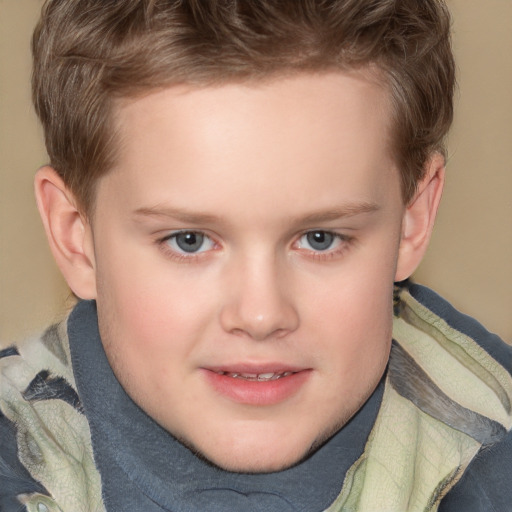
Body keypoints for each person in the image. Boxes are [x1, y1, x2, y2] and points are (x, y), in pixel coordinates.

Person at [1, 0, 511, 510]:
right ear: (77, 238)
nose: (261, 315)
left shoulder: (494, 448)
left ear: (411, 220)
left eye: (320, 238)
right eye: (189, 241)